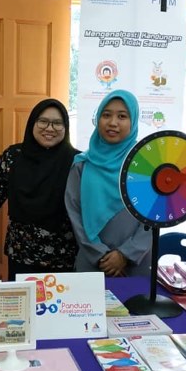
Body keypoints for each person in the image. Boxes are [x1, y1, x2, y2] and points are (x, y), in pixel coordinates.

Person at [0, 99, 78, 280]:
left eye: (57, 123)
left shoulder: (77, 162)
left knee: (60, 298)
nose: (50, 128)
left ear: (66, 127)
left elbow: (88, 209)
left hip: (64, 255)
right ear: (32, 123)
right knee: (21, 297)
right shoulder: (13, 157)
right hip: (22, 252)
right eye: (43, 121)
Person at [65, 90, 152, 277]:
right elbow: (75, 213)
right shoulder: (82, 164)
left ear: (133, 121)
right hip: (92, 263)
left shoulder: (146, 165)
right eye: (106, 115)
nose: (113, 123)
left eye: (122, 116)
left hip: (135, 264)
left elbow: (155, 217)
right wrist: (99, 254)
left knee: (135, 297)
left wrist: (126, 254)